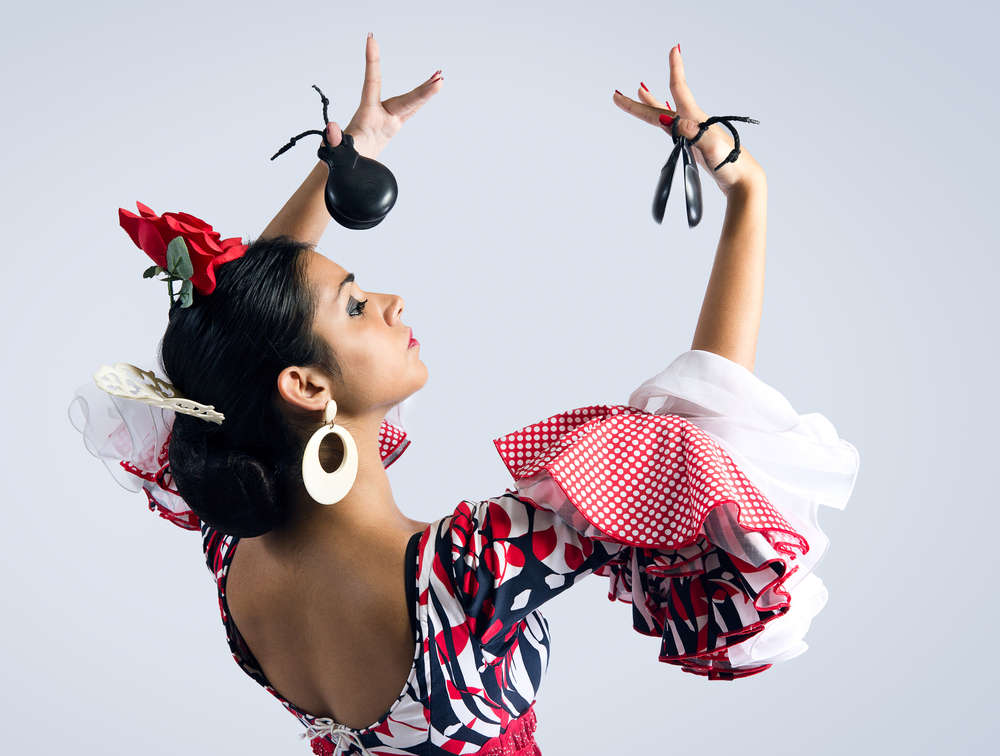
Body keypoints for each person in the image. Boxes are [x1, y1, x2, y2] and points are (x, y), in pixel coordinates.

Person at [71, 35, 858, 756]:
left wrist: (349, 159)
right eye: (353, 304)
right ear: (306, 385)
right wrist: (748, 194)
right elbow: (698, 436)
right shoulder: (468, 571)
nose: (391, 301)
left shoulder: (231, 540)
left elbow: (229, 344)